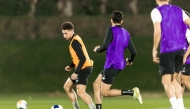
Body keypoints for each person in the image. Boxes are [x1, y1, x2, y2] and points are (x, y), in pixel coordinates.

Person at [93, 10, 143, 109]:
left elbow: (105, 46)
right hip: (118, 64)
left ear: (111, 20)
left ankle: (132, 92)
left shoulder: (110, 30)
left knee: (105, 92)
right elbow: (134, 52)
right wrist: (130, 60)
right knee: (96, 84)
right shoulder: (126, 33)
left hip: (112, 65)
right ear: (122, 21)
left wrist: (97, 49)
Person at [151, 0, 190, 109]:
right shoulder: (179, 10)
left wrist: (154, 49)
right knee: (174, 80)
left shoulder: (156, 11)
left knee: (166, 81)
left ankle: (174, 106)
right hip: (180, 50)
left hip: (168, 49)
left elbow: (157, 31)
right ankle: (180, 107)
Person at [62, 22, 95, 109]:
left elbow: (83, 58)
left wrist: (76, 72)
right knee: (67, 87)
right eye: (63, 33)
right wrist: (71, 66)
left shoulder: (75, 42)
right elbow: (77, 58)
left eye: (66, 33)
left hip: (85, 68)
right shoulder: (74, 40)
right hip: (82, 67)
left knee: (80, 91)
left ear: (72, 31)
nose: (64, 36)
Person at [178, 11, 190, 92]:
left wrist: (185, 57)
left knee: (185, 81)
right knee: (180, 80)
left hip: (188, 59)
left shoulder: (187, 30)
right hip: (185, 59)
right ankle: (179, 104)